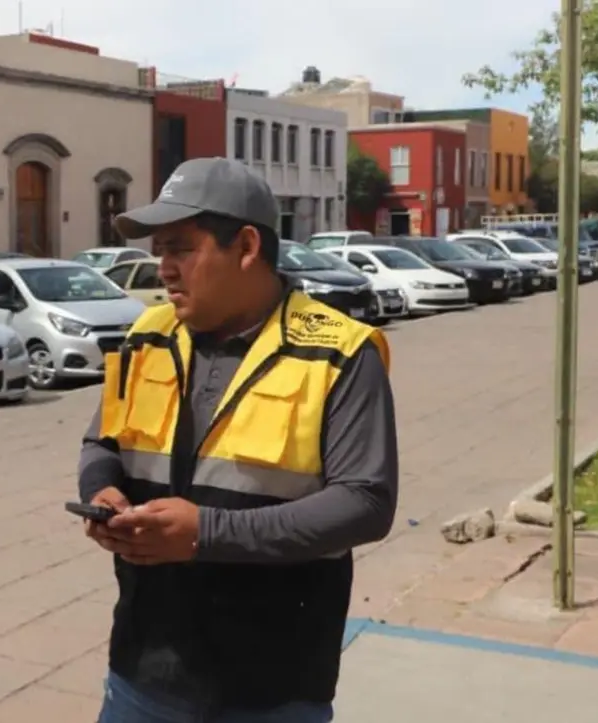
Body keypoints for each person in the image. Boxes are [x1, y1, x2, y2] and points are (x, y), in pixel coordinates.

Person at [77, 157, 399, 723]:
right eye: (160, 251)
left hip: (272, 688)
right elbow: (103, 442)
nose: (163, 269)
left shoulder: (340, 354)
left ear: (247, 246)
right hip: (143, 671)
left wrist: (207, 533)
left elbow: (366, 503)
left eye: (181, 248)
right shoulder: (146, 336)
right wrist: (103, 495)